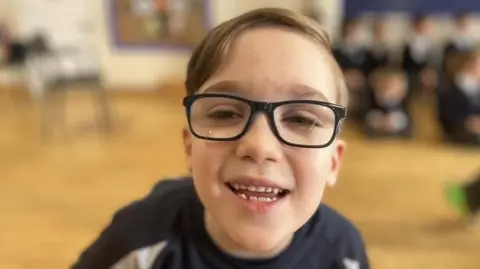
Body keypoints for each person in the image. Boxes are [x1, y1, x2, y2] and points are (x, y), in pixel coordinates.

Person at [71, 8, 370, 269]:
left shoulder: (343, 251)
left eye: (301, 119)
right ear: (189, 146)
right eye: (225, 113)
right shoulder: (137, 239)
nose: (259, 146)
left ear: (333, 162)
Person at [437, 50, 480, 145]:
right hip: (459, 131)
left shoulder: (477, 88)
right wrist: (468, 123)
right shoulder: (451, 88)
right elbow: (446, 115)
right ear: (469, 66)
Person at [364, 67, 411, 138]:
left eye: (394, 89)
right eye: (385, 87)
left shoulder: (407, 107)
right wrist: (378, 122)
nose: (389, 92)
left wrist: (395, 123)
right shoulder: (368, 103)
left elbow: (408, 127)